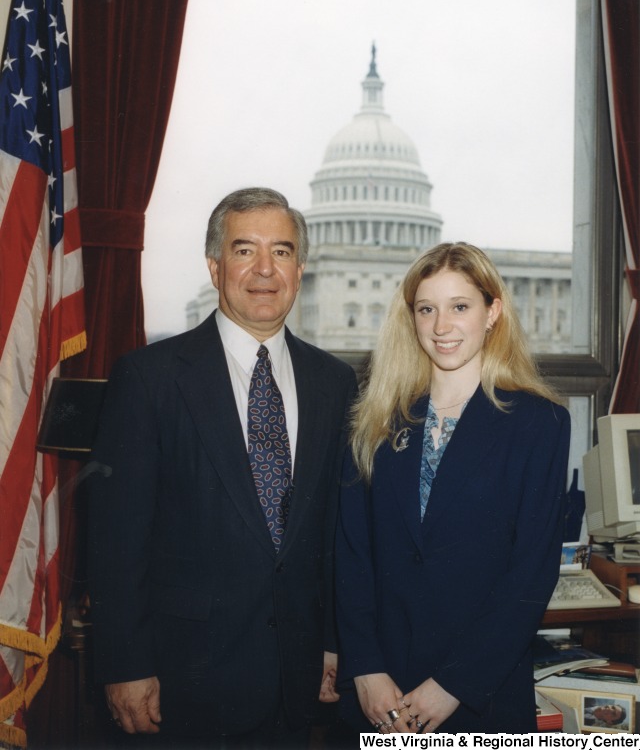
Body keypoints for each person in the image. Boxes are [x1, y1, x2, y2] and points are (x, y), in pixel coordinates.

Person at [88, 187, 358, 748]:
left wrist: (333, 641)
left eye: (281, 251)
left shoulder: (333, 382)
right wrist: (125, 664)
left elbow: (334, 532)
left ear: (300, 269)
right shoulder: (149, 378)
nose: (265, 269)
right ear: (215, 267)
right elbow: (116, 542)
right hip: (181, 685)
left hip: (295, 681)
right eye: (244, 250)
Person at [334, 242, 570, 735]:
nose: (441, 326)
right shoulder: (374, 418)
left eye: (459, 307)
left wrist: (455, 684)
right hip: (381, 694)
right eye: (427, 309)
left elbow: (531, 574)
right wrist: (366, 667)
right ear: (411, 317)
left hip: (481, 691)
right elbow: (351, 554)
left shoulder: (539, 422)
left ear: (492, 312)